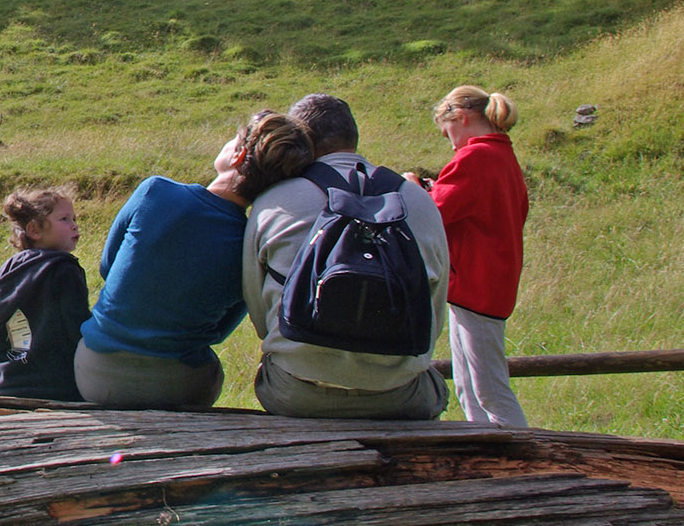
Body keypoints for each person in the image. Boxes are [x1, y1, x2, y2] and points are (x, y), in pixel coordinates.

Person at [75, 112, 314, 409]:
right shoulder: (251, 245)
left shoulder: (154, 191)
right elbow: (221, 331)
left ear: (238, 155)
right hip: (181, 386)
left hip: (95, 374)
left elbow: (108, 268)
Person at [243, 94, 452, 419]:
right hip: (398, 396)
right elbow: (434, 314)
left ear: (303, 141)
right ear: (353, 138)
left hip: (295, 392)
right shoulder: (419, 201)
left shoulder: (275, 200)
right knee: (435, 389)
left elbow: (258, 309)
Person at [419, 85, 530, 427]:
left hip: (476, 284)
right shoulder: (502, 157)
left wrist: (413, 189)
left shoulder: (473, 158)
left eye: (447, 129)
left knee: (488, 389)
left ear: (461, 118)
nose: (449, 139)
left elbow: (434, 211)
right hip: (487, 283)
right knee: (469, 386)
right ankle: (487, 452)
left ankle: (524, 459)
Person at [0, 187, 88, 401]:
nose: (74, 225)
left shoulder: (9, 269)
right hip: (56, 388)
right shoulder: (64, 270)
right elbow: (77, 327)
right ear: (35, 230)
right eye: (64, 219)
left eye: (74, 218)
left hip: (8, 385)